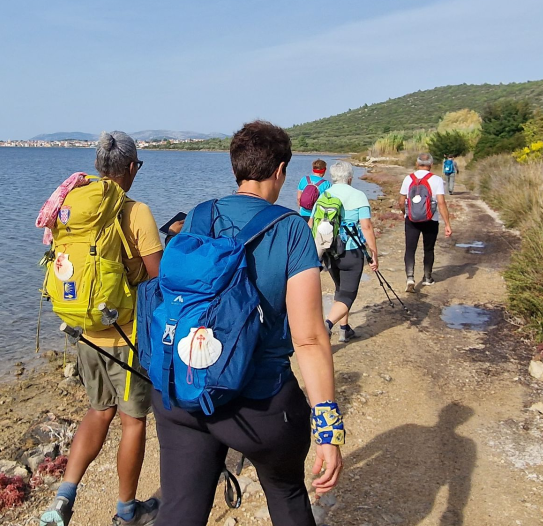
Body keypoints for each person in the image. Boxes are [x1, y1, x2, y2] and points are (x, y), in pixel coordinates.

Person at [153, 121, 341, 526]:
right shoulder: (292, 229)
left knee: (179, 513)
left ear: (235, 168)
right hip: (261, 403)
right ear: (280, 171)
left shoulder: (199, 216)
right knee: (287, 494)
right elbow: (308, 339)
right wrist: (328, 430)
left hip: (185, 388)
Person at [40, 132, 162, 526]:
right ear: (130, 168)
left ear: (97, 167)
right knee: (133, 421)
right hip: (126, 335)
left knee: (97, 411)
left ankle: (63, 497)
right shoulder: (134, 211)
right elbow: (157, 277)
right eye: (137, 167)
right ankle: (127, 510)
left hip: (82, 330)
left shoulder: (71, 205)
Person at [319, 160, 379, 342]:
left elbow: (313, 222)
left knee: (340, 289)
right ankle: (326, 326)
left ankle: (344, 329)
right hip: (352, 252)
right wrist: (374, 254)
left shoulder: (324, 194)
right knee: (348, 294)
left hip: (330, 253)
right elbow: (366, 227)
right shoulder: (358, 195)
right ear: (350, 178)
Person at [398, 153, 453, 293]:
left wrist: (404, 213)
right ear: (431, 164)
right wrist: (447, 224)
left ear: (417, 164)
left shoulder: (408, 178)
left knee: (410, 249)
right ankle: (427, 278)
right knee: (428, 249)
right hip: (431, 220)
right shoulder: (437, 180)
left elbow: (401, 201)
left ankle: (410, 278)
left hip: (411, 219)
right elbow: (441, 202)